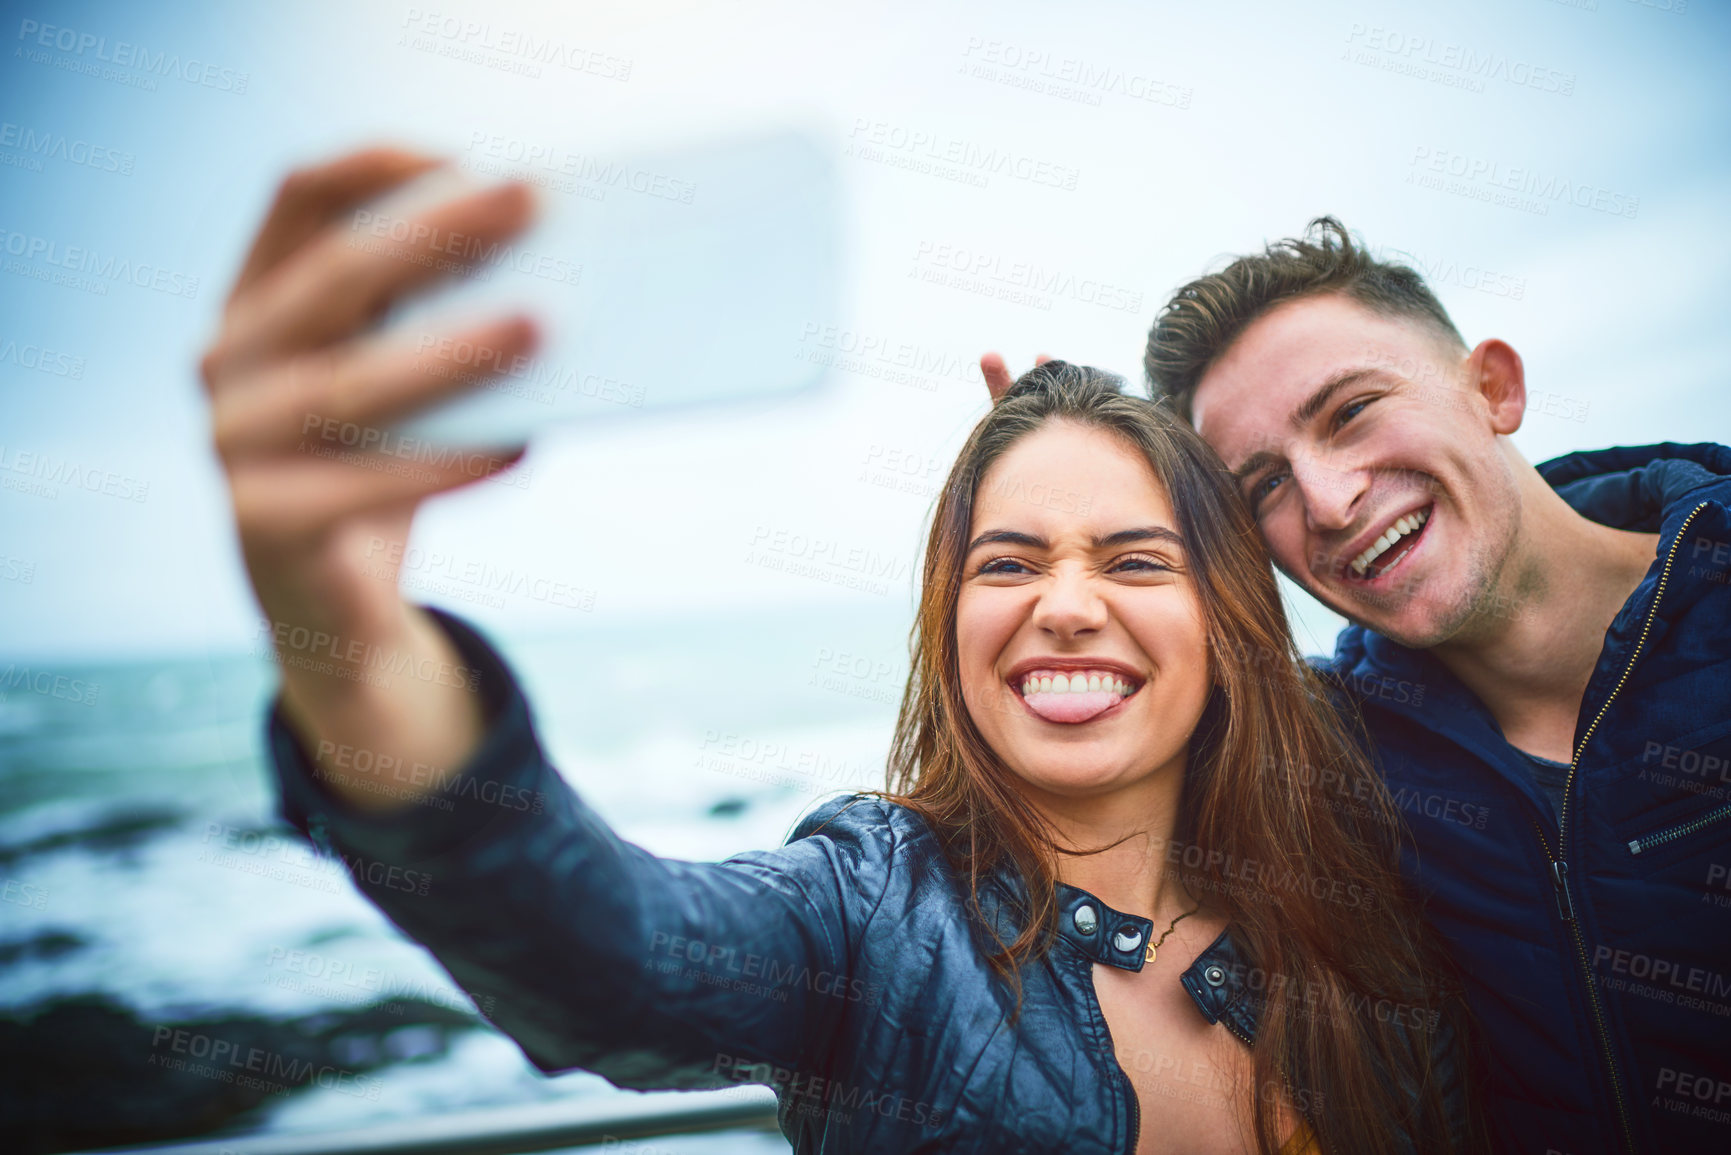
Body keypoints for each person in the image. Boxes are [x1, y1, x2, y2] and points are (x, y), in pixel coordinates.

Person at [202, 153, 1478, 1154]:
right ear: (948, 618)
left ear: (1226, 621)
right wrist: (350, 640)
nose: (1068, 605)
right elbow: (610, 961)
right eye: (1008, 563)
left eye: (1134, 560)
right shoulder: (867, 912)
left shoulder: (1364, 846)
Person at [983, 218, 1731, 1155]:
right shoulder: (1326, 757)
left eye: (1349, 412)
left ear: (1492, 387)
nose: (1329, 500)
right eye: (1263, 485)